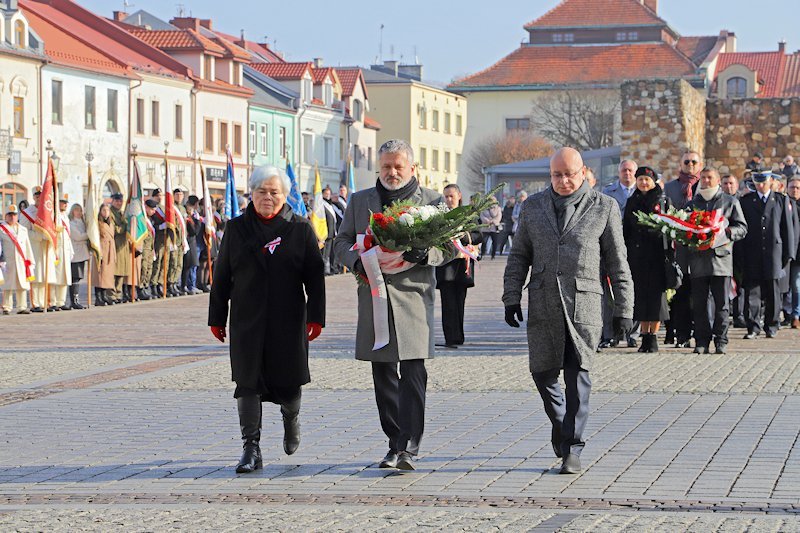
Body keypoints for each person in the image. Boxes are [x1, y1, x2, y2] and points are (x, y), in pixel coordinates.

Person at [503, 147, 633, 474]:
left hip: (584, 305)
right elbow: (519, 256)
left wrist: (624, 309)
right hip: (544, 303)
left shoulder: (604, 207)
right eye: (556, 175)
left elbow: (618, 263)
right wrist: (511, 296)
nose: (562, 181)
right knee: (543, 373)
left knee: (578, 379)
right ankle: (562, 424)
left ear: (583, 172)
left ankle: (573, 447)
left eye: (569, 174)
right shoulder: (533, 207)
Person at [334, 139, 456, 471]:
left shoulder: (430, 201)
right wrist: (357, 262)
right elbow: (341, 242)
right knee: (384, 373)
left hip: (415, 300)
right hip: (375, 298)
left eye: (398, 167)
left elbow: (450, 248)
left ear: (411, 168)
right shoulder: (361, 202)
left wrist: (425, 254)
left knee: (414, 372)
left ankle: (409, 447)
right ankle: (393, 442)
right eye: (386, 166)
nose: (392, 172)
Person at [209, 165, 325, 474]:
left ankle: (291, 418)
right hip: (247, 320)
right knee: (247, 382)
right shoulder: (235, 228)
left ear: (285, 196)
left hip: (288, 320)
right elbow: (221, 276)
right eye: (261, 192)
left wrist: (316, 316)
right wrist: (216, 316)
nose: (268, 198)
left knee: (289, 383)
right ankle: (251, 448)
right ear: (252, 194)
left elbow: (315, 277)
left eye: (274, 192)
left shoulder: (300, 229)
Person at [686, 167, 748, 354]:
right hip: (698, 261)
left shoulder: (730, 202)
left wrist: (726, 233)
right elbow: (684, 229)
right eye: (703, 178)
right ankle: (701, 341)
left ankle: (721, 340)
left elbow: (742, 227)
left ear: (717, 180)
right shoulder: (692, 204)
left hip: (721, 262)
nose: (706, 181)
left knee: (722, 304)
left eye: (709, 177)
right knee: (700, 304)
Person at [736, 171, 795, 339]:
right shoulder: (746, 201)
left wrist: (788, 254)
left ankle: (772, 324)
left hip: (774, 253)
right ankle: (753, 326)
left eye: (763, 182)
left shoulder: (781, 200)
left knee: (773, 292)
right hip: (752, 253)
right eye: (757, 182)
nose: (760, 185)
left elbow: (787, 229)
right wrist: (740, 255)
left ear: (770, 181)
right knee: (752, 292)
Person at [622, 166, 670, 353]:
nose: (643, 183)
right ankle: (644, 335)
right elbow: (626, 228)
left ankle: (653, 336)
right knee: (641, 297)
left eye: (647, 180)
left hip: (657, 256)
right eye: (640, 179)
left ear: (653, 181)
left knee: (656, 298)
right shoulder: (632, 201)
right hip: (637, 257)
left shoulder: (662, 200)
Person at [663, 151, 702, 347]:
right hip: (678, 250)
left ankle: (701, 334)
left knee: (700, 296)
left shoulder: (704, 186)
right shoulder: (670, 187)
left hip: (700, 250)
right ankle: (681, 335)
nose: (690, 165)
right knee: (680, 295)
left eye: (694, 162)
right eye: (687, 161)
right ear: (681, 164)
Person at [436, 184, 482, 348]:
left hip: (462, 264)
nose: (449, 200)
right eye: (446, 196)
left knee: (459, 302)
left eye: (451, 196)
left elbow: (478, 235)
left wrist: (463, 236)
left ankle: (459, 336)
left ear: (459, 196)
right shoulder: (439, 215)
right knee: (447, 303)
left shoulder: (469, 214)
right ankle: (450, 338)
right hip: (445, 265)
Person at [600, 159, 640, 348]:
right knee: (609, 292)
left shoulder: (643, 191)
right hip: (612, 246)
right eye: (624, 170)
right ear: (619, 172)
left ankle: (633, 333)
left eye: (631, 170)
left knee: (634, 290)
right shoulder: (608, 192)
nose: (627, 173)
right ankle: (610, 334)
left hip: (636, 248)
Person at [19, 187, 55, 312]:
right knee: (36, 276)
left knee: (46, 275)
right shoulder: (27, 212)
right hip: (34, 246)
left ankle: (45, 302)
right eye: (37, 195)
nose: (39, 198)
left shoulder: (48, 211)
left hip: (46, 247)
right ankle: (35, 303)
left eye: (42, 195)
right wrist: (39, 236)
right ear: (34, 197)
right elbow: (24, 231)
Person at [0, 204, 34, 314]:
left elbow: (27, 246)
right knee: (7, 285)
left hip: (21, 261)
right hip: (7, 261)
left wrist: (30, 261)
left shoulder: (23, 229)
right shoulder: (1, 229)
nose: (12, 217)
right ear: (5, 216)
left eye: (14, 215)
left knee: (22, 284)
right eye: (9, 215)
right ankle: (6, 307)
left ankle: (22, 306)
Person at [49, 195, 74, 311]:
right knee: (55, 276)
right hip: (57, 249)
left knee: (64, 276)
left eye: (65, 203)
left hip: (66, 249)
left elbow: (68, 236)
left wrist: (71, 249)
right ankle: (53, 301)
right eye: (62, 202)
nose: (65, 204)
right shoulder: (54, 216)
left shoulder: (66, 216)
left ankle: (61, 301)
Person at [93, 204, 117, 306]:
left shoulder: (111, 223)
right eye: (104, 210)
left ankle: (104, 296)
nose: (106, 212)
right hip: (102, 250)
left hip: (110, 251)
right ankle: (98, 298)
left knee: (106, 276)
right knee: (99, 275)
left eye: (107, 210)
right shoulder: (98, 223)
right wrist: (100, 253)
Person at [109, 193, 130, 303]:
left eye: (120, 201)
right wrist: (125, 227)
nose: (119, 203)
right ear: (112, 201)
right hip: (115, 245)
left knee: (121, 271)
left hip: (123, 245)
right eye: (117, 201)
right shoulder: (110, 213)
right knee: (114, 271)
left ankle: (118, 293)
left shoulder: (122, 213)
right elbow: (114, 229)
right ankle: (112, 294)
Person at [68, 203, 89, 309]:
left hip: (82, 252)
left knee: (78, 277)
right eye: (77, 210)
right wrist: (90, 234)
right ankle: (74, 300)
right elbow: (78, 236)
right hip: (75, 253)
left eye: (80, 210)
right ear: (72, 212)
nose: (79, 213)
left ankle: (76, 299)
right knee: (74, 277)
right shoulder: (71, 223)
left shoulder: (83, 223)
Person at [786, 178, 800, 328]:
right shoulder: (784, 204)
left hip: (798, 253)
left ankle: (795, 314)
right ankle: (788, 313)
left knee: (796, 285)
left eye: (797, 188)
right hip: (786, 252)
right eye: (792, 187)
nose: (794, 190)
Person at [181, 196, 201, 294]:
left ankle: (189, 285)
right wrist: (197, 221)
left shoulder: (194, 216)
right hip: (187, 241)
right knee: (186, 265)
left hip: (192, 242)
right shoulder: (189, 217)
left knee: (190, 265)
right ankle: (185, 285)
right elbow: (194, 231)